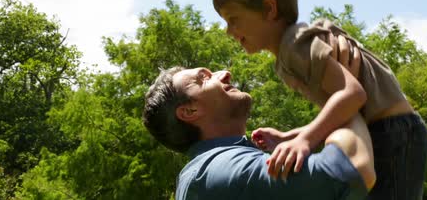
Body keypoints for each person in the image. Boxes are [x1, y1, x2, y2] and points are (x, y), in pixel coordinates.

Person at [212, 0, 427, 199]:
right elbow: (340, 110)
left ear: (269, 9)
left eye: (233, 19)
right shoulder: (288, 55)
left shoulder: (295, 44)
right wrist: (290, 136)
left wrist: (305, 139)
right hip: (382, 130)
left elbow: (352, 94)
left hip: (394, 132)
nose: (228, 30)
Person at [143, 67, 376, 200]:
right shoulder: (227, 169)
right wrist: (343, 99)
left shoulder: (204, 172)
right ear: (190, 111)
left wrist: (297, 138)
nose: (225, 73)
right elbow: (353, 167)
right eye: (203, 78)